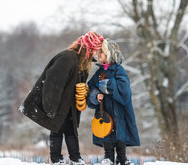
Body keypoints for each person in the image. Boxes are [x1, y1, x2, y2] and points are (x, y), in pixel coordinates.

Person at [19, 31, 104, 165]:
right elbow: (52, 83)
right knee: (56, 128)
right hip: (56, 102)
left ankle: (76, 159)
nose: (95, 55)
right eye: (94, 51)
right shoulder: (67, 58)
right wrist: (51, 108)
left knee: (71, 129)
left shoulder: (81, 62)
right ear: (87, 49)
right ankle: (56, 159)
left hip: (68, 104)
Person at [87, 39, 140, 165]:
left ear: (109, 54)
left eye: (102, 52)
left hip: (118, 110)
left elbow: (124, 87)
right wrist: (95, 95)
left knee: (119, 131)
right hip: (104, 109)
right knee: (106, 131)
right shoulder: (99, 72)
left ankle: (122, 158)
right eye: (98, 52)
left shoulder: (118, 70)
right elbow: (91, 86)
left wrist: (107, 84)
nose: (98, 55)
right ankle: (108, 157)